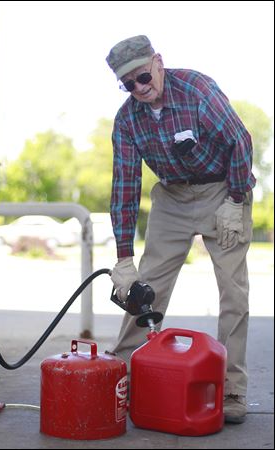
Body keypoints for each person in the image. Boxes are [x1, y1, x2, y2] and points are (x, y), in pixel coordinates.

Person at [105, 35, 256, 424]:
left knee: (233, 290)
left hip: (222, 189)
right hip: (171, 197)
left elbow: (240, 141)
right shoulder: (126, 120)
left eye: (142, 76)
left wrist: (236, 201)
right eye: (128, 84)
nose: (139, 88)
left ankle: (232, 388)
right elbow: (124, 185)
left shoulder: (197, 90)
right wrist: (123, 258)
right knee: (147, 287)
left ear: (158, 61)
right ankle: (119, 376)